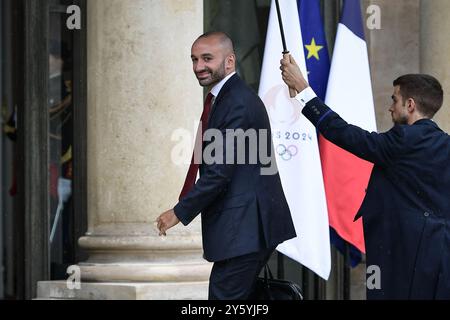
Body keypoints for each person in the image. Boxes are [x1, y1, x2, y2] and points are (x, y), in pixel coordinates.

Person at [280, 55, 450, 300]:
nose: (390, 107)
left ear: (410, 105)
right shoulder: (444, 143)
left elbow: (344, 134)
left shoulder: (404, 139)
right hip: (437, 258)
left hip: (404, 255)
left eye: (395, 100)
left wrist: (304, 90)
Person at [157, 32, 296, 300]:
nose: (199, 67)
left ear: (229, 61)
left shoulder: (237, 102)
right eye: (194, 59)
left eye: (207, 58)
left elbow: (219, 173)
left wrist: (179, 211)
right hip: (243, 229)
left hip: (246, 229)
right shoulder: (225, 98)